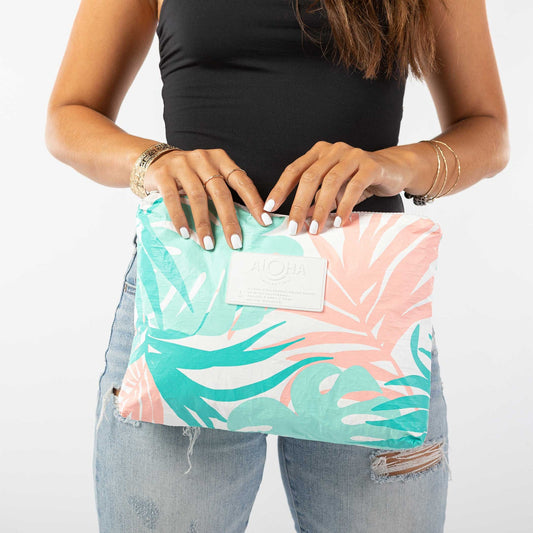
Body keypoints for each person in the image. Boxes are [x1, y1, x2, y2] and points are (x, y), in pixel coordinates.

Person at [45, 0, 509, 531]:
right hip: (189, 306)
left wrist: (395, 165)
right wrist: (154, 161)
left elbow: (487, 130)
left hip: (362, 315)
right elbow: (70, 113)